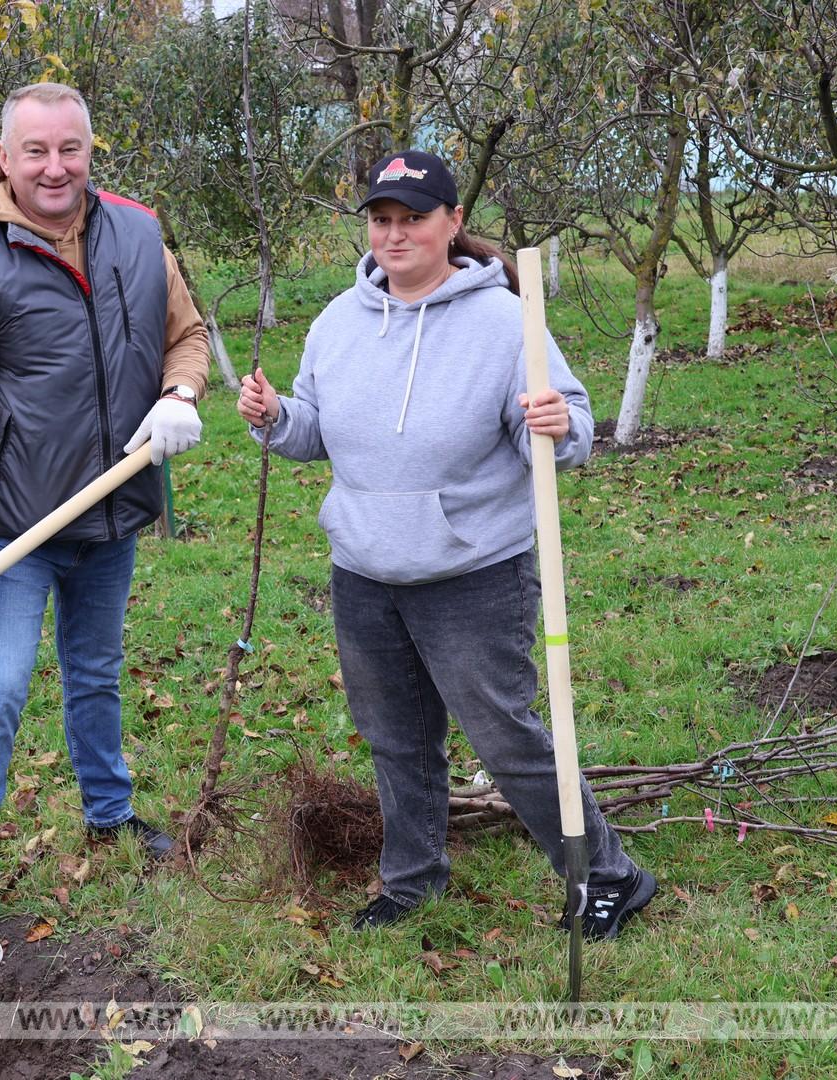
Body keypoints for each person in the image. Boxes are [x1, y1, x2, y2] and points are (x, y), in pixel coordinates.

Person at [237, 149, 655, 940]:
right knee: (397, 740)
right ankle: (412, 880)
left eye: (414, 219)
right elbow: (313, 433)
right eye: (382, 219)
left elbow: (567, 430)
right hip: (365, 572)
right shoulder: (338, 322)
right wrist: (275, 417)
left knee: (506, 738)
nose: (395, 235)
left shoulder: (505, 323)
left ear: (453, 222)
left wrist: (558, 425)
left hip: (473, 573)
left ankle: (609, 876)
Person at [0, 83, 209, 970]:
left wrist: (180, 392)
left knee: (95, 673)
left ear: (90, 150)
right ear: (5, 159)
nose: (55, 168)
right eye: (36, 151)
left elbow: (187, 333)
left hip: (109, 512)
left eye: (70, 148)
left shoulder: (139, 233)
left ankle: (109, 815)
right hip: (15, 527)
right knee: (0, 689)